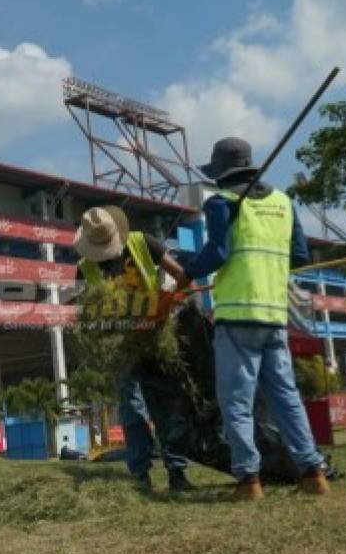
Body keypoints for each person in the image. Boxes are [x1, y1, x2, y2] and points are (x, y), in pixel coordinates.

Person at [183, 137, 330, 499]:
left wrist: (185, 274)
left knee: (236, 401)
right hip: (274, 315)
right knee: (285, 396)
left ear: (221, 172)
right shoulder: (283, 203)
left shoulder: (223, 203)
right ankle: (312, 472)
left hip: (236, 316)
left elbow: (217, 252)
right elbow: (299, 256)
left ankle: (249, 480)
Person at [73, 205, 194, 492]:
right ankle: (141, 476)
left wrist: (171, 301)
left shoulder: (142, 243)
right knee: (132, 409)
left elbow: (181, 275)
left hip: (156, 334)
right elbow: (88, 314)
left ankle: (177, 472)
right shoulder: (85, 268)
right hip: (121, 346)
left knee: (166, 402)